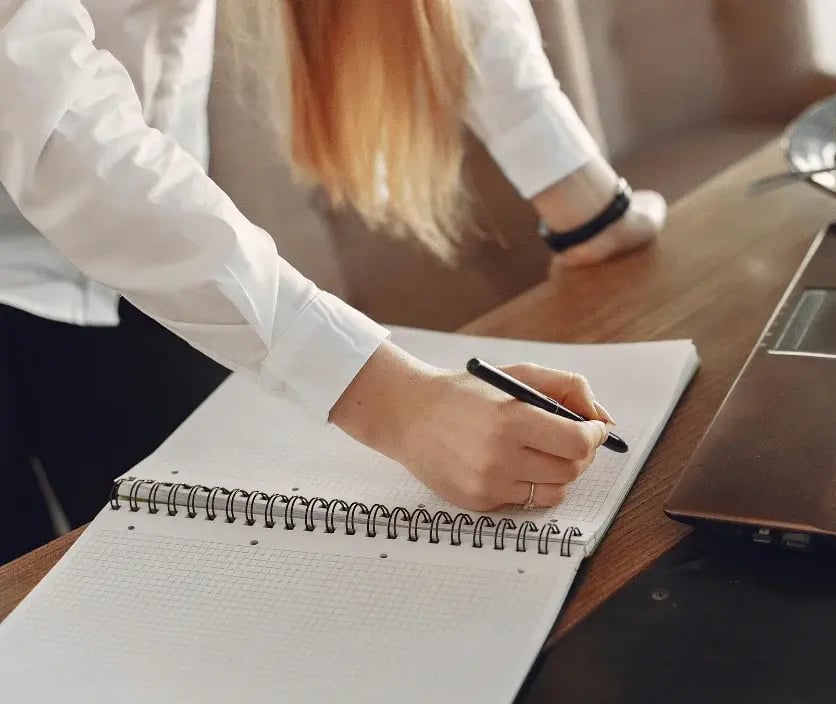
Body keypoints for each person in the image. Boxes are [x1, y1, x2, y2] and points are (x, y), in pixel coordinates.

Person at [0, 0, 667, 563]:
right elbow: (38, 102)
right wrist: (392, 402)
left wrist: (583, 201)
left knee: (187, 562)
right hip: (94, 197)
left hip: (131, 250)